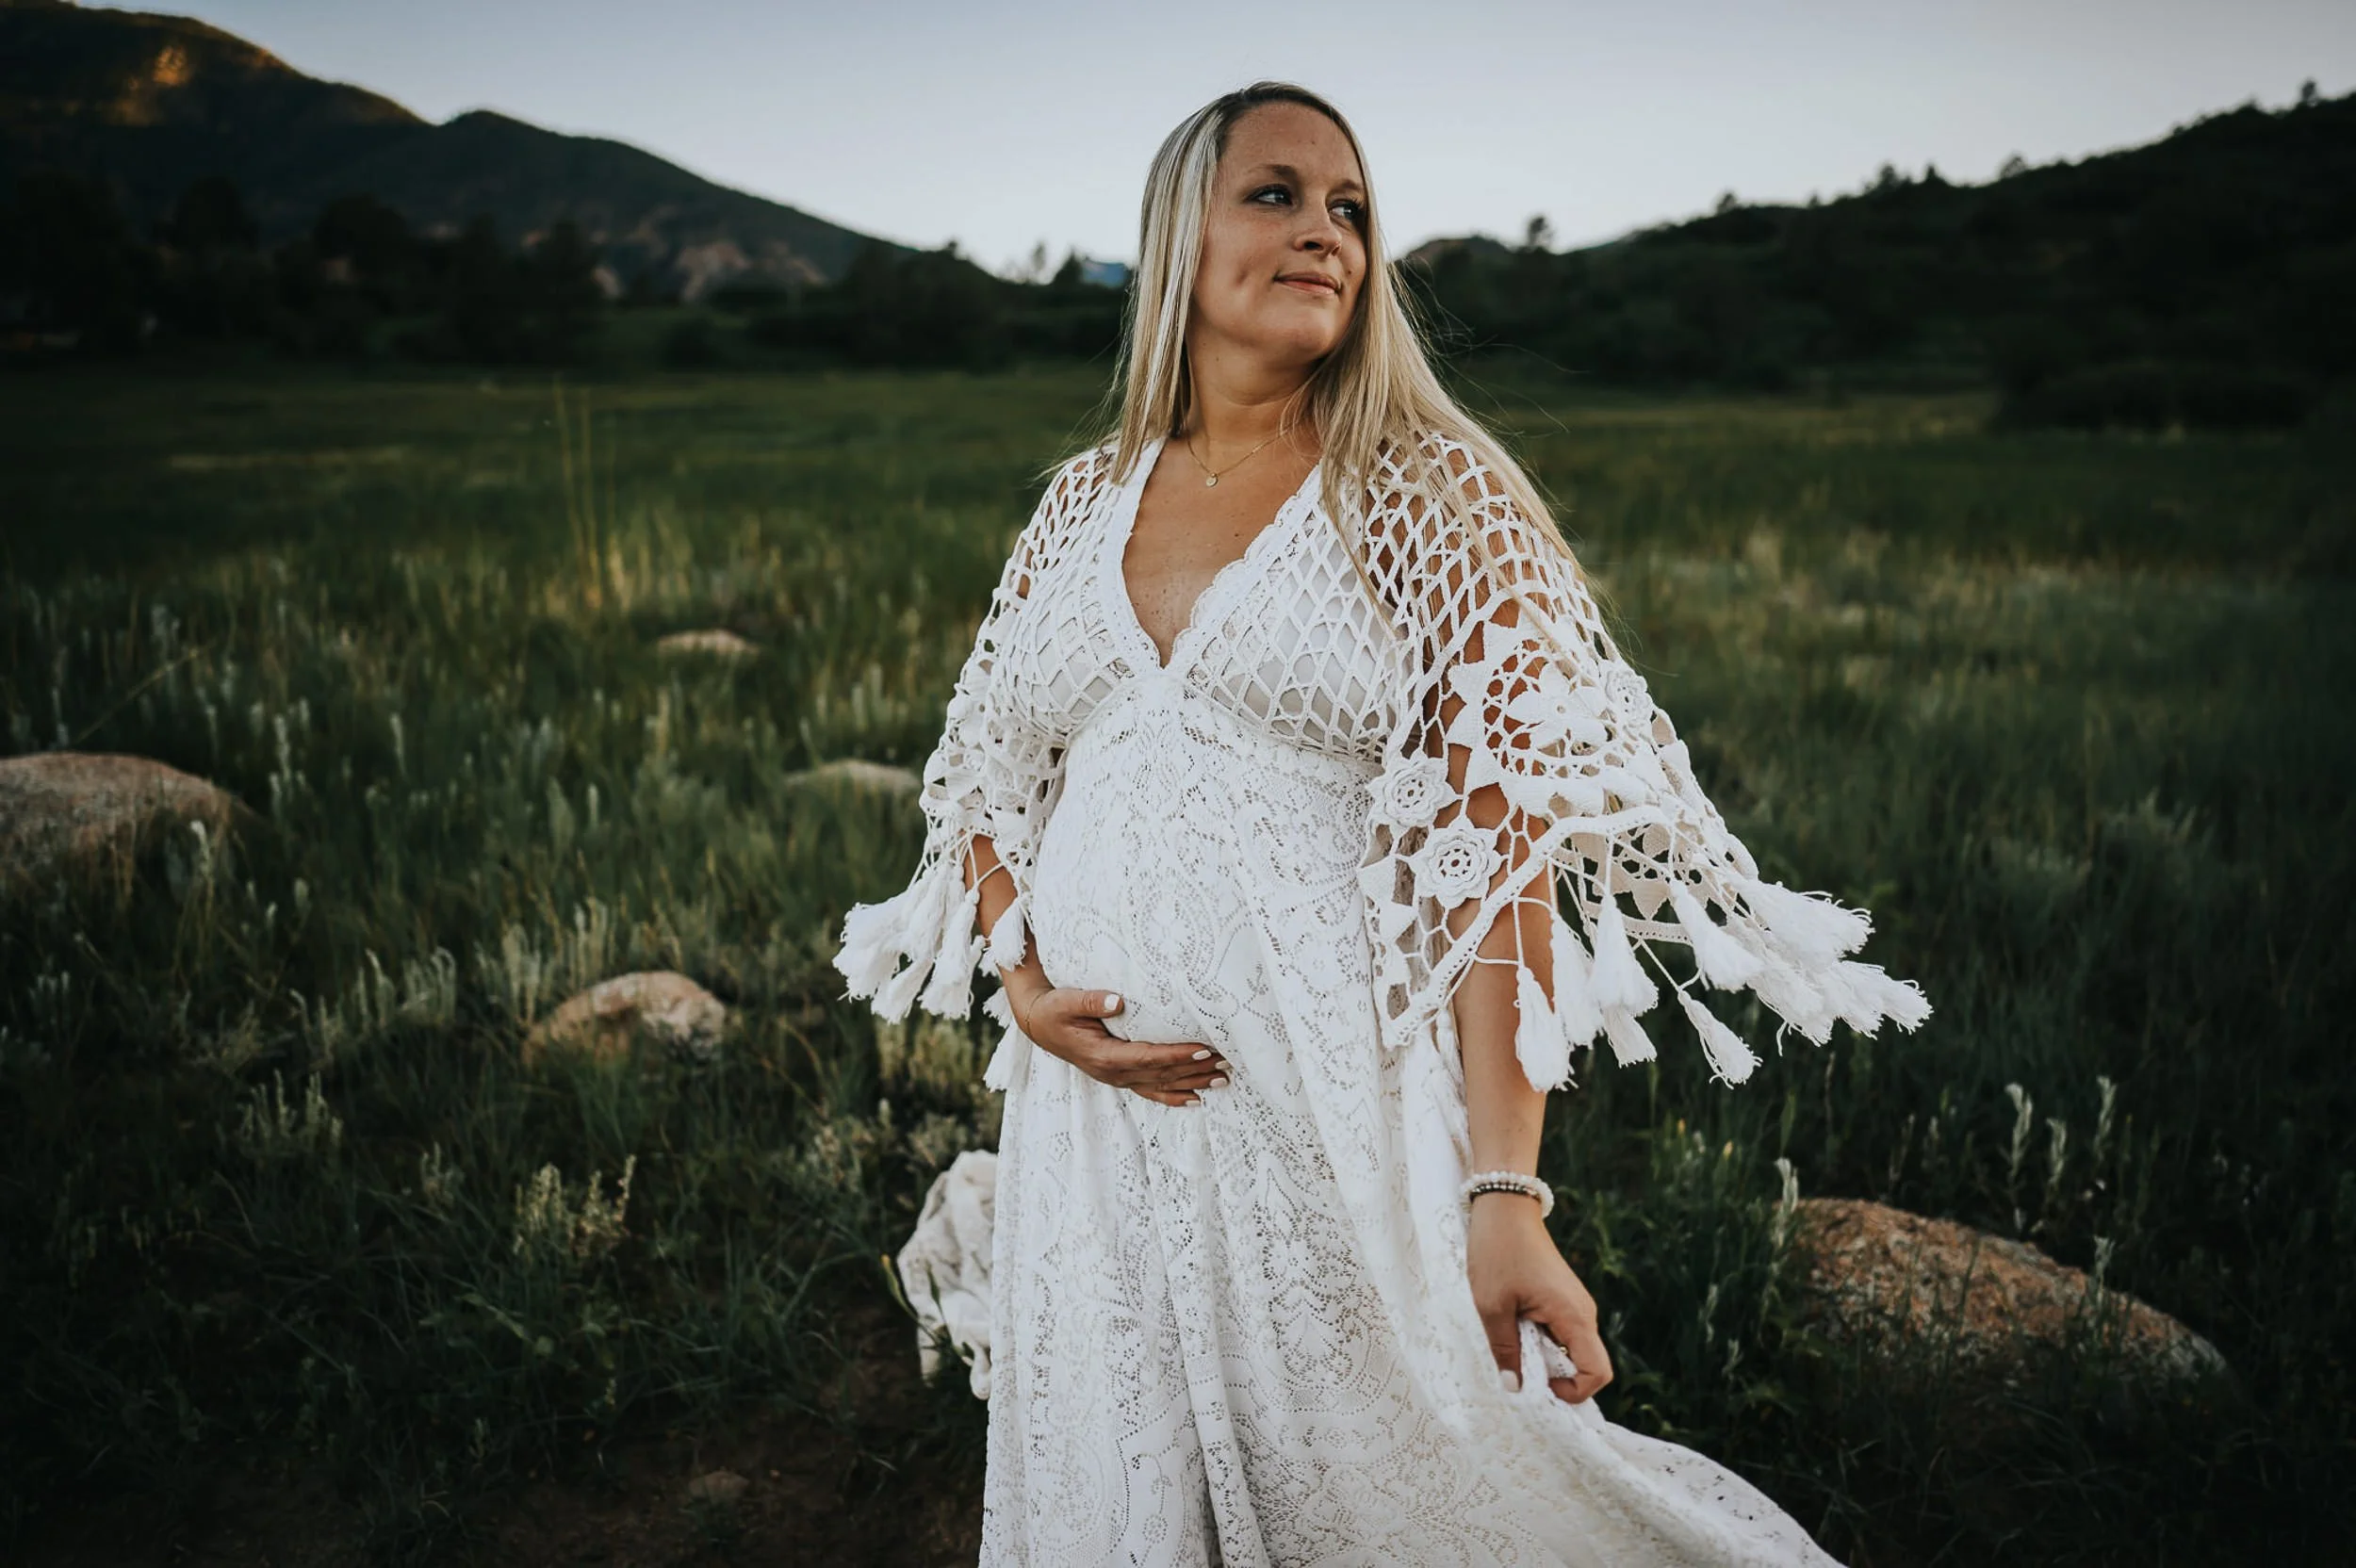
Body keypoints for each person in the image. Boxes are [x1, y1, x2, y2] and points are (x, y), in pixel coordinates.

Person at [838, 80, 1929, 1567]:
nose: (1327, 236)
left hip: (1327, 1113)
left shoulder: (1428, 491)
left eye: (1351, 209)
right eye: (1277, 196)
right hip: (1095, 1134)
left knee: (1419, 1485)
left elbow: (1498, 860)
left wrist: (1505, 1193)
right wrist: (1027, 992)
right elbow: (984, 771)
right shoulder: (1079, 504)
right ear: (1179, 238)